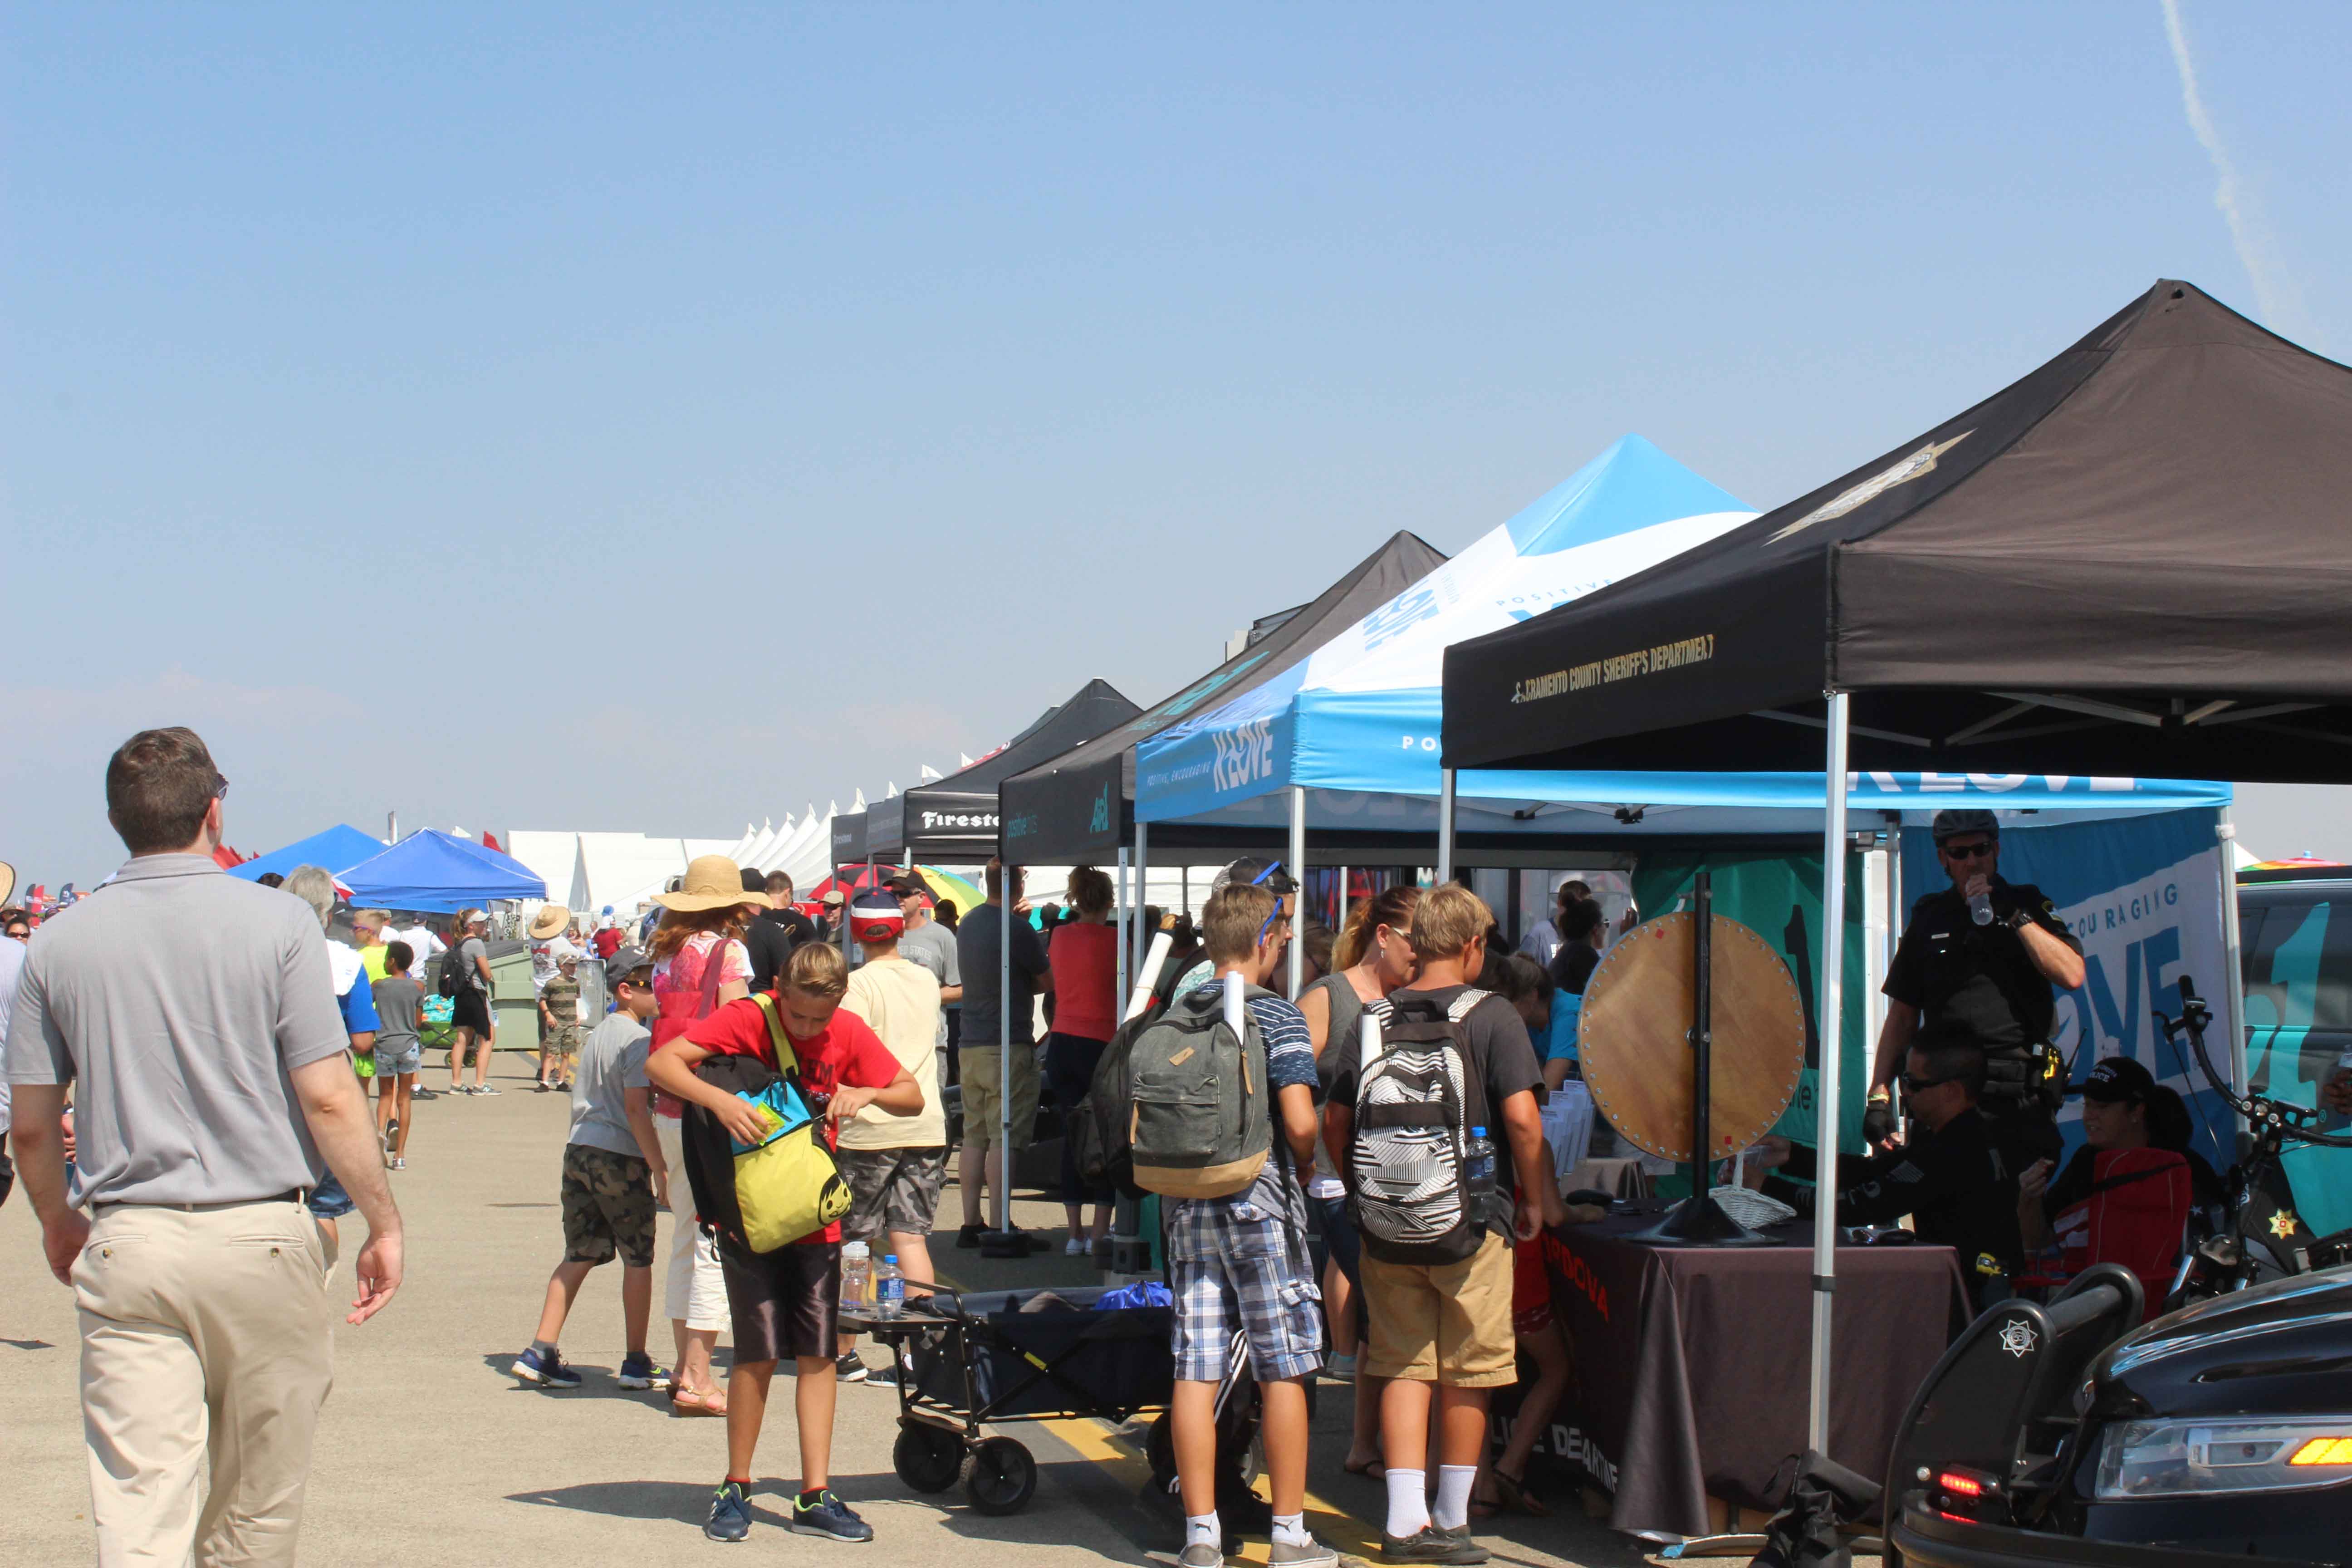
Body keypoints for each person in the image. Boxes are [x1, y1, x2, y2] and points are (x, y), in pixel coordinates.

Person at [3, 726, 401, 1566]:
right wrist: (381, 1219)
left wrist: (54, 1217)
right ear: (214, 811)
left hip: (129, 1234)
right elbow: (328, 1094)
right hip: (259, 1232)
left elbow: (33, 1121)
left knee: (140, 1503)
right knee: (256, 1506)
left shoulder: (59, 941)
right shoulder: (282, 925)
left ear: (117, 819)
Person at [649, 941, 920, 1545]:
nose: (808, 1028)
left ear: (840, 1001)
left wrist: (867, 1093)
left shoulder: (845, 1031)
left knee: (819, 1354)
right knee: (756, 1353)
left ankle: (814, 1492)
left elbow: (913, 1095)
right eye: (797, 1016)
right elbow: (664, 1063)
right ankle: (736, 1485)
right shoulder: (749, 1016)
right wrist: (718, 1101)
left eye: (820, 1019)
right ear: (779, 989)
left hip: (812, 1216)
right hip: (750, 1215)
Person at [1323, 883, 1548, 1567]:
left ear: (1416, 943)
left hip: (1387, 1222)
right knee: (1468, 1371)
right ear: (1474, 944)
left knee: (1401, 1366)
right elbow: (1522, 1121)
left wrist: (1365, 1185)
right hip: (1473, 1220)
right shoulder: (1494, 1016)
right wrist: (1534, 1199)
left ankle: (1401, 1522)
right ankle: (1451, 1523)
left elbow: (1336, 1119)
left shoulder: (1372, 1015)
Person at [1164, 879, 1336, 1568]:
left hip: (1187, 1202)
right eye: (1284, 933)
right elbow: (1298, 1121)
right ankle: (1290, 1533)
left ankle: (1200, 1532)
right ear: (1265, 939)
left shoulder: (1183, 1008)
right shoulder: (1280, 1016)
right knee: (1283, 1365)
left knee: (1196, 1367)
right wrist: (1303, 1163)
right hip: (1261, 1199)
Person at [1872, 809, 2086, 1162]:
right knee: (1943, 1209)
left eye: (1981, 849)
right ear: (1944, 858)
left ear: (1996, 850)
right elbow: (1903, 1016)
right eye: (1960, 853)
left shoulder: (2027, 902)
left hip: (2015, 1097)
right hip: (1945, 1096)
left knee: (2017, 1210)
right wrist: (1879, 1094)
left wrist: (2015, 917)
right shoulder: (1929, 916)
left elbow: (2072, 974)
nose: (1972, 861)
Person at [1756, 1029, 2025, 1306]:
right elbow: (1873, 1172)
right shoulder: (1967, 1132)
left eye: (1912, 1083)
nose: (1905, 1092)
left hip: (1975, 1298)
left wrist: (1765, 1187)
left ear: (1951, 1090)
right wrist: (1792, 1157)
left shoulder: (1953, 1148)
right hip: (1982, 1286)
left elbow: (1860, 1205)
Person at [1299, 883, 1422, 1472]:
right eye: (1416, 943)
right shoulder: (1329, 996)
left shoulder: (1416, 1001)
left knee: (1386, 1313)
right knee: (1385, 1305)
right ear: (1383, 937)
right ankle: (1376, 1450)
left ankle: (1363, 1446)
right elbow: (1290, 1086)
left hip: (1400, 1181)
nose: (1423, 956)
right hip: (1334, 1180)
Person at [510, 946, 671, 1393]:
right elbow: (637, 1109)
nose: (657, 989)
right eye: (648, 982)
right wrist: (659, 1167)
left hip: (580, 1148)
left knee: (579, 1253)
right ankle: (637, 1360)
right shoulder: (637, 1040)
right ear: (626, 990)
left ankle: (541, 1348)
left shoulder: (599, 1032)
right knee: (639, 1257)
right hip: (619, 1155)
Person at [648, 854, 767, 1418]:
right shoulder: (729, 953)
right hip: (709, 1105)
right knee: (714, 1241)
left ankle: (682, 1366)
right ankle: (699, 1374)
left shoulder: (666, 954)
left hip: (668, 1105)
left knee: (682, 1237)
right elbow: (736, 1027)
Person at [834, 890, 947, 1385]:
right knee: (911, 1236)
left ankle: (844, 1351)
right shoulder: (925, 979)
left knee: (855, 1241)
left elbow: (844, 1050)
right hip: (924, 1121)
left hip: (869, 1126)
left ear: (856, 934)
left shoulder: (856, 987)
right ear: (901, 929)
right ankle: (920, 1352)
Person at [952, 858, 1054, 1248]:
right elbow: (1047, 981)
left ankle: (971, 1222)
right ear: (1018, 884)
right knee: (1004, 1136)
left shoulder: (969, 923)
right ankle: (1000, 1225)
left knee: (974, 1135)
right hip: (1006, 1041)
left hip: (972, 1042)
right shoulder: (1018, 929)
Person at [284, 865, 379, 1253]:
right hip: (326, 1084)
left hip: (270, 1092)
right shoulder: (345, 961)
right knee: (323, 1209)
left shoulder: (262, 953)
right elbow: (362, 1040)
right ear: (328, 911)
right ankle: (317, 1291)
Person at [1045, 867, 1119, 1255]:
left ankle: (1074, 1233)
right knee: (1106, 1136)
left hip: (1062, 1041)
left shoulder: (1058, 935)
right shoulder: (1117, 941)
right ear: (1109, 901)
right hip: (1101, 1042)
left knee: (1071, 1134)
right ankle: (1098, 1231)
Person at [887, 871, 962, 1078]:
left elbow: (960, 990)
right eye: (894, 894)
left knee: (931, 1108)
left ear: (921, 897)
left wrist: (923, 995)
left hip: (930, 1043)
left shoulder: (942, 936)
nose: (898, 899)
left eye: (904, 894)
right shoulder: (885, 934)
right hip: (889, 1042)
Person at [372, 940, 425, 1168]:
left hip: (384, 1044)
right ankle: (400, 1155)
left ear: (392, 961)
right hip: (409, 1046)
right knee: (404, 1099)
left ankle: (380, 1137)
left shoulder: (379, 986)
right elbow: (417, 1022)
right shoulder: (418, 988)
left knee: (385, 1096)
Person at [447, 906, 500, 1096]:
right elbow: (486, 973)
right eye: (481, 923)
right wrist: (491, 977)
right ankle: (480, 1084)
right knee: (487, 1038)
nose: (484, 926)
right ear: (472, 926)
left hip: (462, 995)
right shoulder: (476, 944)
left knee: (461, 1039)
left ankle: (456, 1083)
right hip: (477, 994)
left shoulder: (459, 943)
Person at [745, 870, 819, 993]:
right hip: (780, 992)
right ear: (787, 893)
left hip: (746, 987)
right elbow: (815, 962)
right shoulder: (802, 922)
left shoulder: (753, 919)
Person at [1516, 879, 1590, 967]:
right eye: (1575, 910)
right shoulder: (1539, 934)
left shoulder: (1587, 934)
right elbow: (1521, 973)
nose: (1580, 916)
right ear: (1560, 904)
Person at [353, 907, 395, 980]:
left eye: (356, 928)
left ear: (369, 932)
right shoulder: (394, 953)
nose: (353, 931)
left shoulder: (358, 957)